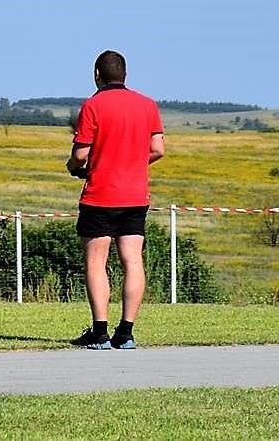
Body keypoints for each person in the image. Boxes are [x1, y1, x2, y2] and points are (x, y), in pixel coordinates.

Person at [66, 50, 165, 350]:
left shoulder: (93, 105)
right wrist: (131, 162)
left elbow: (81, 154)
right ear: (125, 74)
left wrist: (74, 167)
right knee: (132, 261)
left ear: (97, 75)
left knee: (96, 262)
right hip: (135, 196)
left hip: (100, 196)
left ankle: (99, 332)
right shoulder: (147, 104)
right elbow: (158, 149)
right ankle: (126, 332)